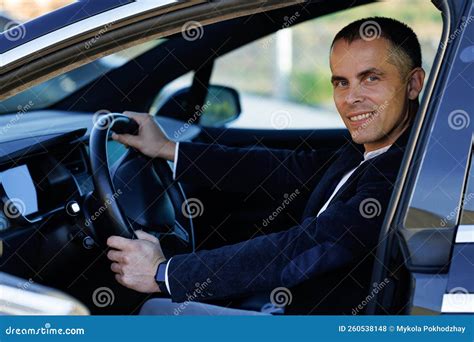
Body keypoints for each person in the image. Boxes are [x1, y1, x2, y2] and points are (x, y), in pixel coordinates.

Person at [106, 17, 425, 315]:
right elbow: (284, 169)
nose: (351, 97)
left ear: (413, 84)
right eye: (341, 82)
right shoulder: (366, 151)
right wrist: (167, 148)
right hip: (291, 304)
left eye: (371, 78)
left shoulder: (404, 172)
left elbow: (309, 245)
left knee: (154, 313)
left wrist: (165, 273)